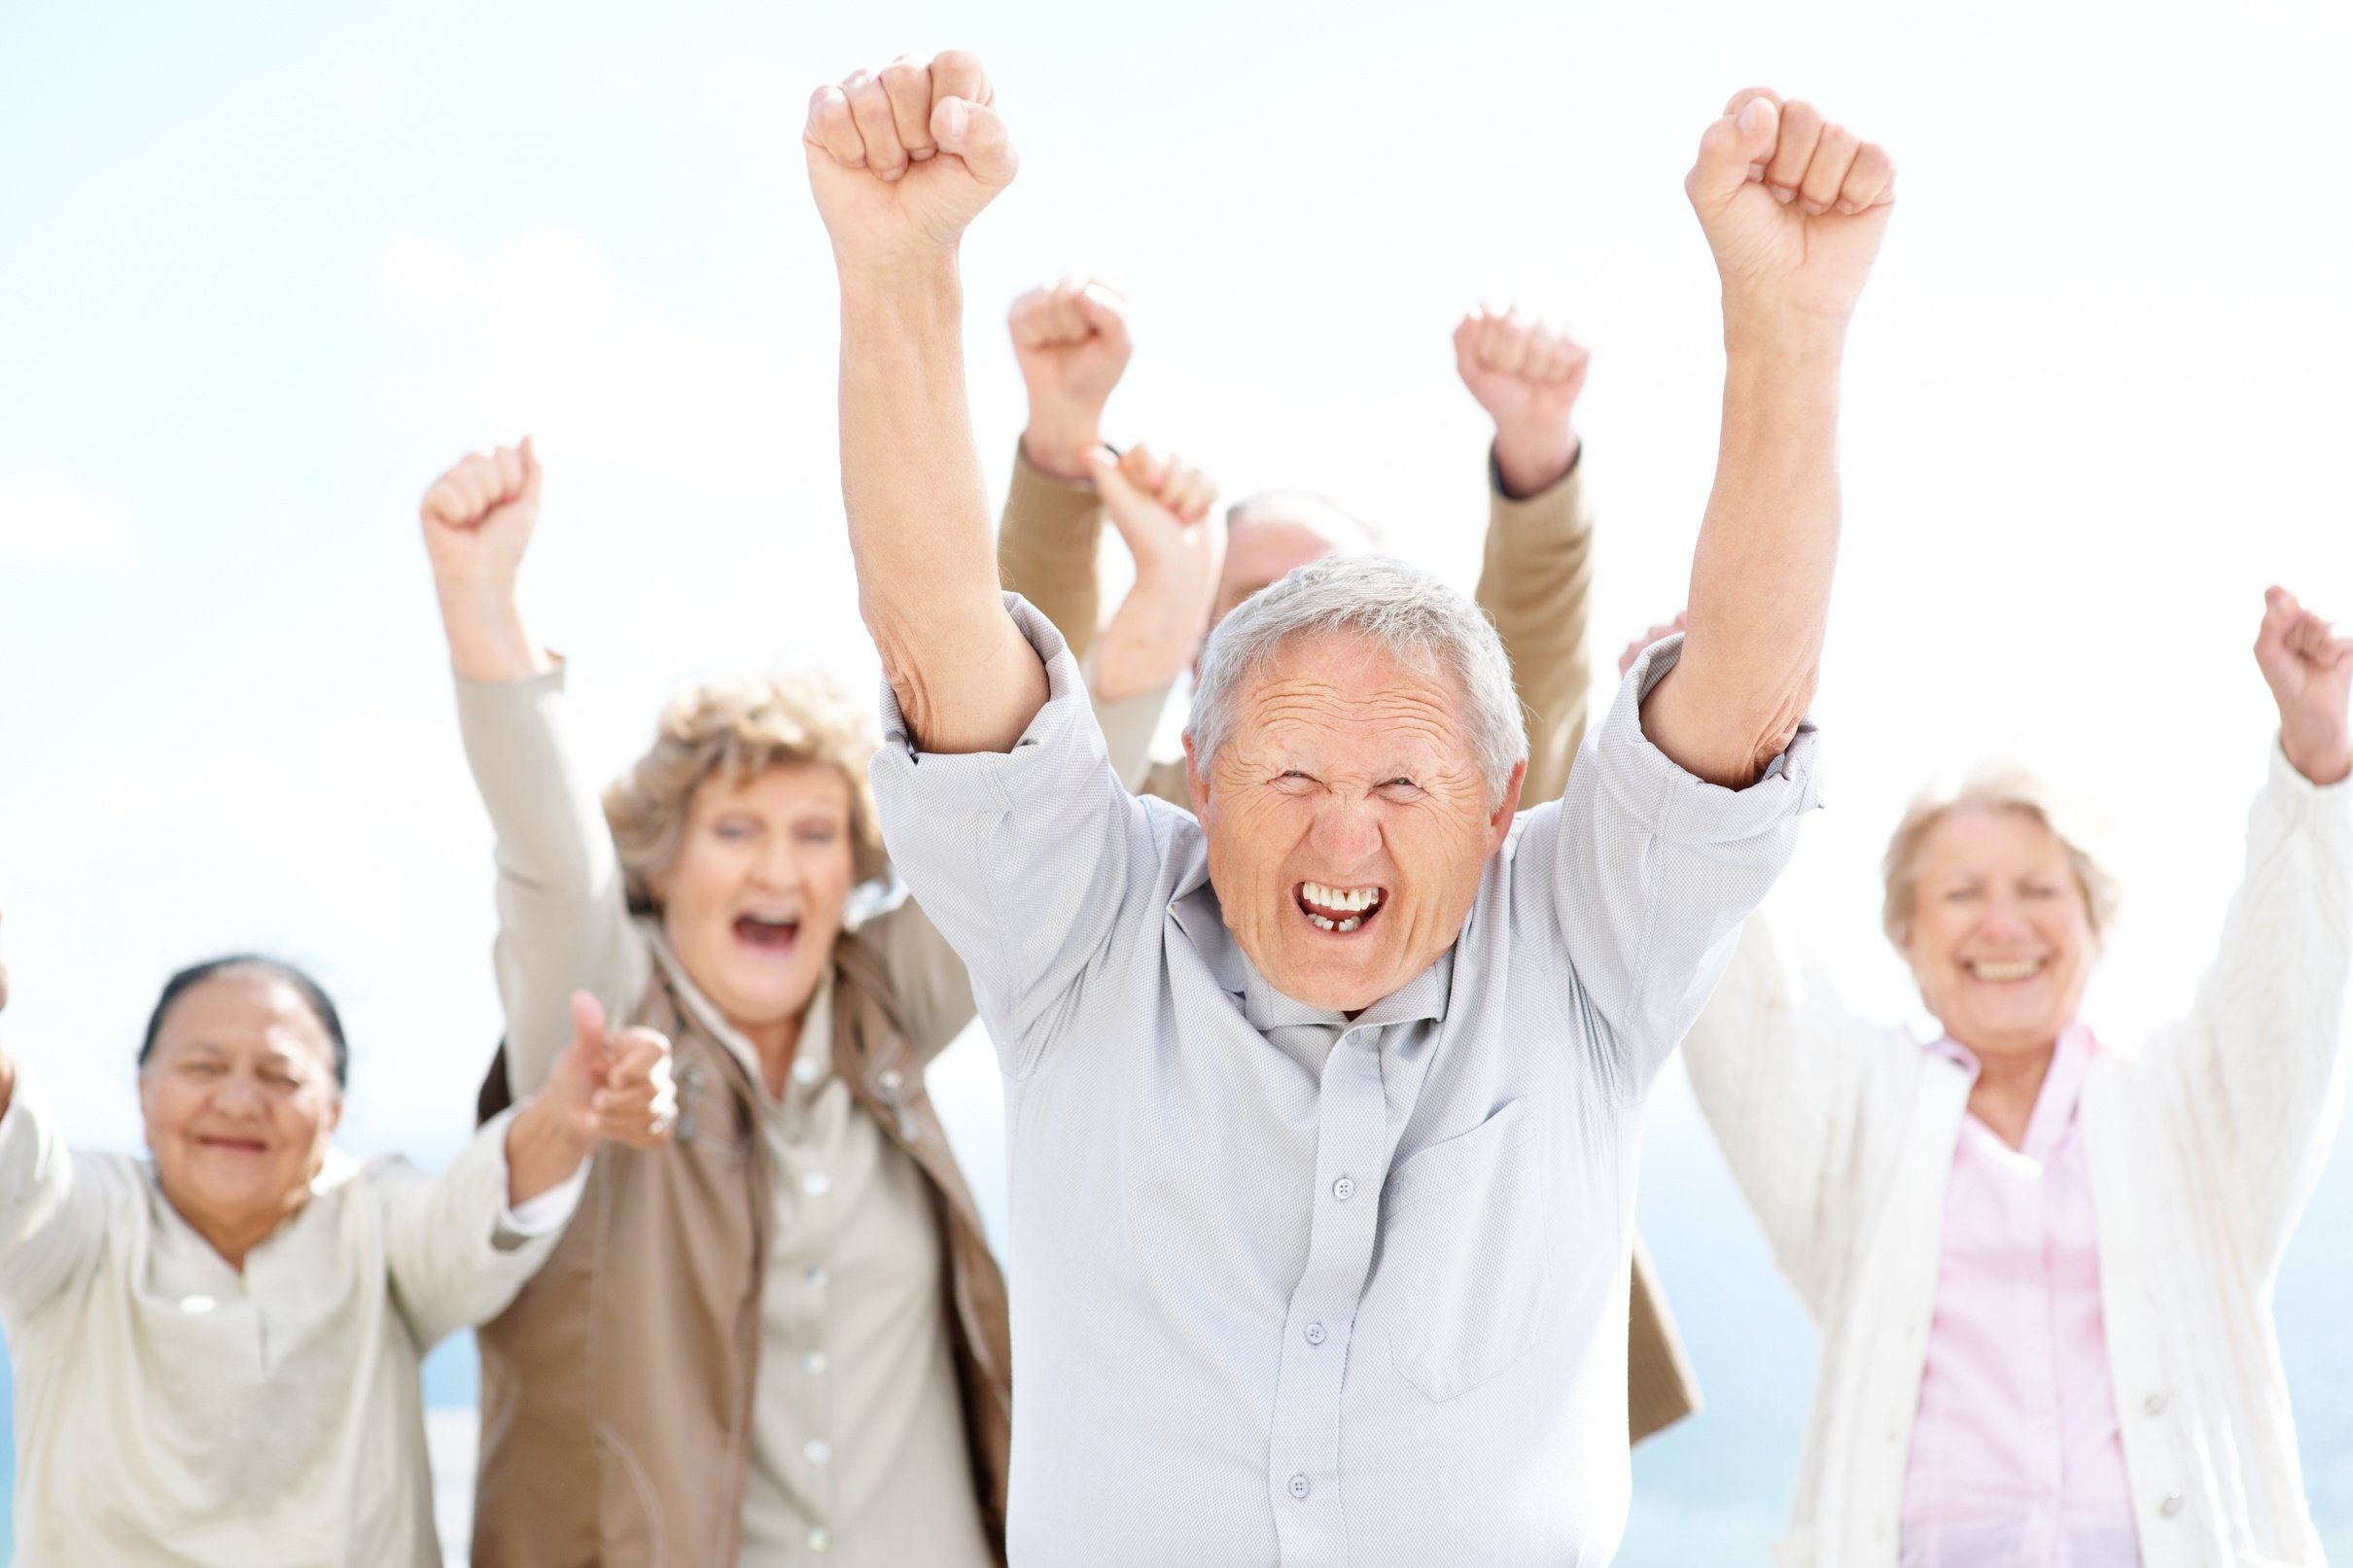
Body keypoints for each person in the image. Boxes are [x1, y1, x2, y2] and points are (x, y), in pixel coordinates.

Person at [805, 53, 1892, 1565]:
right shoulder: (1083, 938)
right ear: (1194, 764)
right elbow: (944, 635)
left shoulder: (1578, 949)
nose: (1343, 839)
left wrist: (1792, 334)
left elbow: (1741, 707)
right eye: (1293, 777)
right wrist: (897, 270)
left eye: (1401, 785)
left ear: (1507, 798)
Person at [994, 277, 1702, 1442]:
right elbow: (1024, 724)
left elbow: (1526, 666)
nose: (1300, 632)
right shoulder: (1139, 847)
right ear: (1193, 664)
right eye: (1253, 602)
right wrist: (1061, 458)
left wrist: (1534, 461)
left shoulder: (1448, 812)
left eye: (1336, 600)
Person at [1664, 587, 2353, 1567]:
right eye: (1959, 893)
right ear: (1905, 930)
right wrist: (1692, 746)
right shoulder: (1858, 1116)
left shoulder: (2185, 1110)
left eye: (2037, 889)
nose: (2001, 924)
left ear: (2092, 920)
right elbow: (1750, 993)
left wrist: (2315, 760)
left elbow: (2286, 984)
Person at [417, 438, 1012, 1566]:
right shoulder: (603, 1000)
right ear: (663, 862)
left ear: (855, 873)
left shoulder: (886, 1002)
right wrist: (481, 606)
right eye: (736, 830)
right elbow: (549, 861)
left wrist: (1107, 550)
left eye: (814, 834)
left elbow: (1022, 822)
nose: (778, 872)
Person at [0, 938, 671, 1568]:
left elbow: (467, 1216)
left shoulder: (371, 1217)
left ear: (334, 1111)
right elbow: (19, 1176)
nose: (237, 1099)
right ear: (144, 1092)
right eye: (203, 1066)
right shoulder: (83, 1230)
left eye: (280, 1075)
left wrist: (566, 1117)